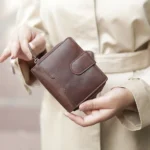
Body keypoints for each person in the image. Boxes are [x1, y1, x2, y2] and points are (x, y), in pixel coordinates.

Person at [0, 0, 150, 150]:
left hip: (136, 114)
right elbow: (30, 29)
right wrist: (32, 50)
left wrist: (137, 92)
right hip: (64, 118)